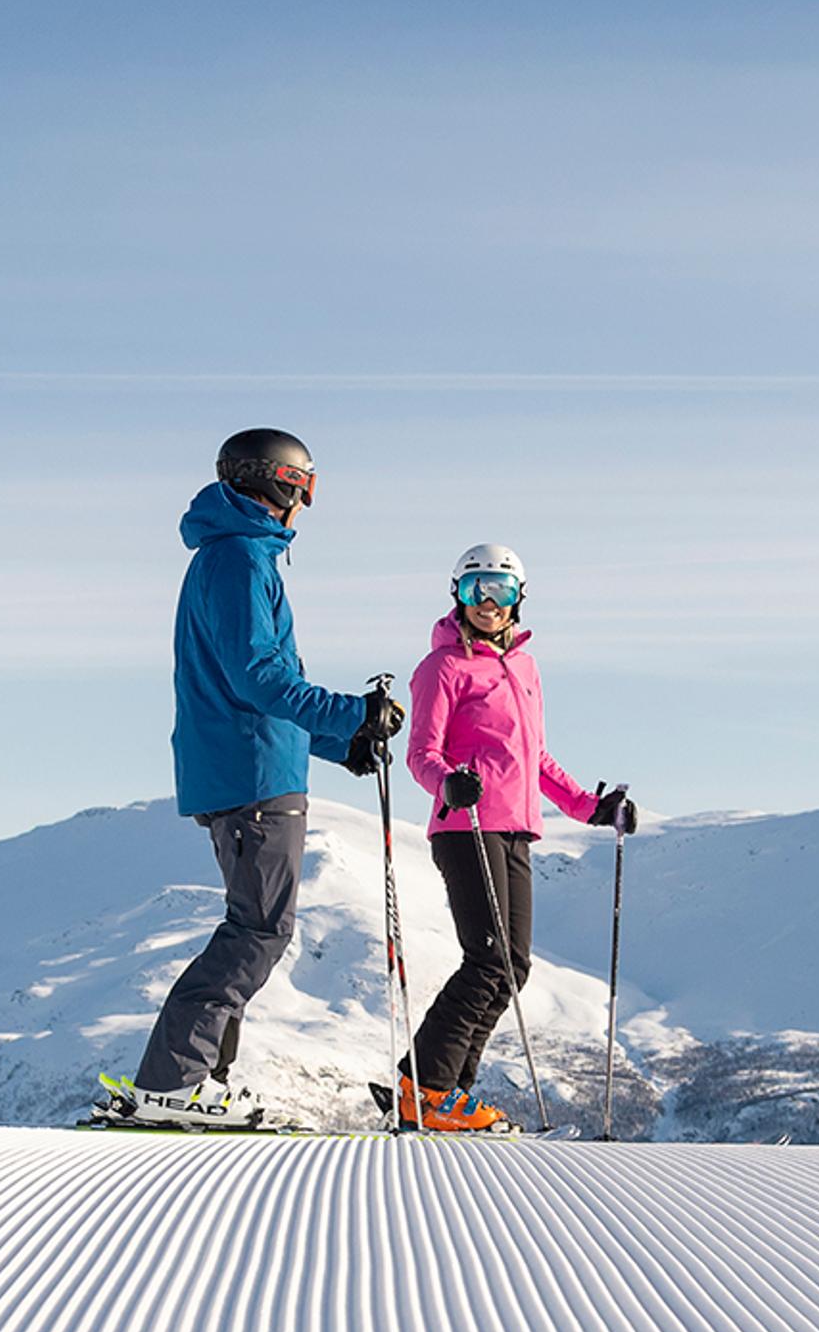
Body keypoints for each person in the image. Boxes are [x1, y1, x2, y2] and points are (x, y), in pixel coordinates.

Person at [103, 428, 402, 1130]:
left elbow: (260, 687)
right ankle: (172, 1083)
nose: (307, 502)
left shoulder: (235, 555)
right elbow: (260, 679)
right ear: (283, 482)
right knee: (259, 931)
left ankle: (197, 1082)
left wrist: (338, 742)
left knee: (253, 927)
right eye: (309, 486)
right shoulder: (239, 559)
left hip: (249, 764)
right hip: (251, 773)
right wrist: (354, 711)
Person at [396, 542, 637, 1132]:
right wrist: (449, 782)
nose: (487, 601)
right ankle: (424, 1090)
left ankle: (446, 1094)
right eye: (475, 587)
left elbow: (535, 757)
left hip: (515, 830)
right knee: (485, 960)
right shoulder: (441, 668)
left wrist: (590, 807)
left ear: (518, 598)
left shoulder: (524, 669)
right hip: (466, 826)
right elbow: (420, 754)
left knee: (511, 966)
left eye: (499, 590)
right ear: (456, 594)